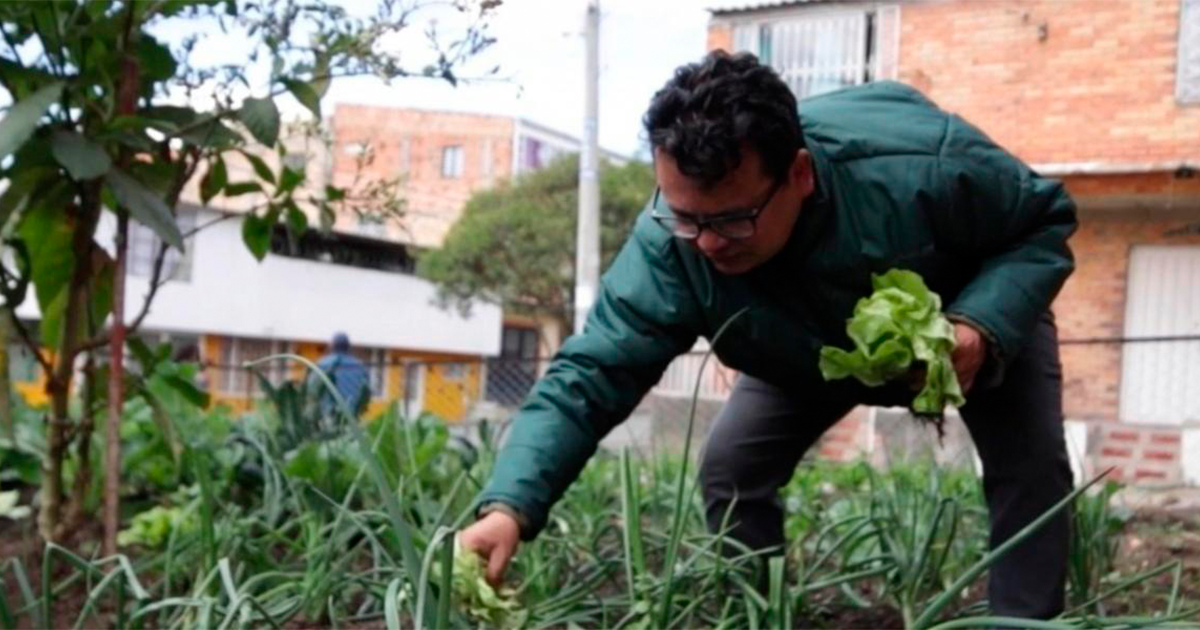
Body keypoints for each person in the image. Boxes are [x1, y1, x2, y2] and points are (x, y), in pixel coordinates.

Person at [461, 50, 1077, 619]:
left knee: (1032, 477)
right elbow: (592, 372)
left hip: (964, 319)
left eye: (731, 219)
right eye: (684, 217)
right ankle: (764, 611)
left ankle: (1024, 623)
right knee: (732, 472)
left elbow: (1043, 221)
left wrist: (980, 325)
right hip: (800, 348)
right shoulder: (670, 249)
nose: (704, 244)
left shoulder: (922, 167)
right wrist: (509, 505)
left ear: (799, 175)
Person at [309, 332, 371, 425]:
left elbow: (312, 388)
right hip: (353, 416)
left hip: (327, 415)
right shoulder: (359, 366)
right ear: (348, 347)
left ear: (332, 346)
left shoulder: (322, 364)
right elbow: (366, 390)